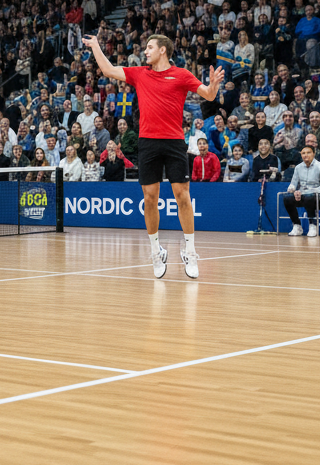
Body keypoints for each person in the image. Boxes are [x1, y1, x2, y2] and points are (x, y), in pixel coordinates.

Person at [84, 32, 224, 279]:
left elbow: (209, 96)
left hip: (174, 143)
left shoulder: (181, 75)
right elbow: (107, 70)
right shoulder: (140, 73)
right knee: (150, 198)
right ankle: (155, 251)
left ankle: (190, 252)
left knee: (182, 195)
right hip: (147, 143)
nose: (145, 51)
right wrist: (95, 45)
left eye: (149, 47)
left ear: (163, 50)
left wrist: (213, 86)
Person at [281, 144, 320, 237]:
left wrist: (305, 192)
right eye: (303, 153)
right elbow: (293, 183)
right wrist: (292, 190)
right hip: (302, 196)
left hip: (319, 197)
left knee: (309, 197)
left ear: (314, 154)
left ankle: (313, 225)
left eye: (308, 153)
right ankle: (297, 225)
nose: (305, 155)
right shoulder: (298, 167)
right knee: (287, 198)